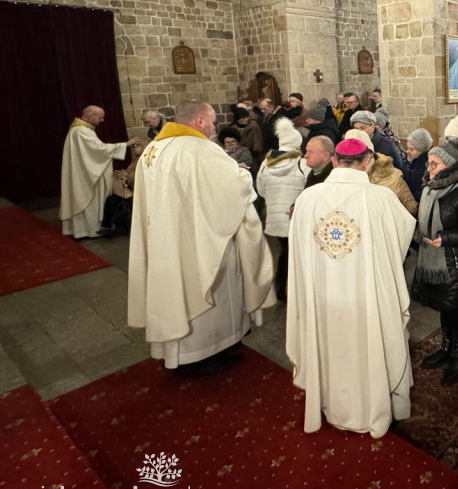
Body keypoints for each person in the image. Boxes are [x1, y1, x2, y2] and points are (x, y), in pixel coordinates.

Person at [127, 100, 276, 376]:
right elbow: (231, 187)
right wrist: (242, 175)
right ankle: (207, 352)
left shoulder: (155, 148)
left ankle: (179, 352)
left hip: (167, 240)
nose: (213, 127)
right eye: (210, 122)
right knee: (209, 289)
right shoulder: (200, 149)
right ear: (198, 121)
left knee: (175, 291)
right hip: (199, 241)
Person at [286, 137, 415, 437]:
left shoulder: (308, 198)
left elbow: (298, 250)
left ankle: (331, 404)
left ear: (334, 161)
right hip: (366, 298)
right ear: (367, 163)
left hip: (322, 296)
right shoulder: (381, 199)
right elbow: (401, 240)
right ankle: (374, 408)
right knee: (369, 344)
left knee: (329, 347)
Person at [412, 136, 458, 386]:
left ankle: (457, 356)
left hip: (456, 264)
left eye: (435, 165)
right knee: (445, 309)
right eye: (429, 164)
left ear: (451, 166)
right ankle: (445, 348)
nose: (429, 169)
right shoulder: (430, 188)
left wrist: (445, 238)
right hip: (436, 262)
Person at [59, 105, 143, 239]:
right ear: (91, 116)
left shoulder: (82, 130)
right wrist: (126, 144)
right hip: (85, 174)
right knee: (88, 198)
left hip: (85, 171)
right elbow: (99, 150)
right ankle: (89, 229)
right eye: (100, 117)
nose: (102, 120)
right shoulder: (81, 131)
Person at [256, 118, 309, 300]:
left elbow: (260, 189)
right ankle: (287, 286)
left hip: (274, 215)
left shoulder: (266, 163)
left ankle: (281, 285)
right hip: (294, 214)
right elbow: (308, 189)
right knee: (292, 252)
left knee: (285, 250)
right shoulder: (301, 164)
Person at [344, 129, 418, 216]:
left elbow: (411, 208)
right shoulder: (342, 180)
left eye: (359, 156)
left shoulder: (391, 176)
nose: (356, 162)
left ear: (370, 154)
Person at [350, 110, 405, 174]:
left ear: (372, 127)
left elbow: (399, 169)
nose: (359, 131)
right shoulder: (350, 145)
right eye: (356, 128)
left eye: (362, 128)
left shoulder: (388, 145)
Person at [403, 128, 433, 203]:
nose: (407, 152)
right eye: (407, 148)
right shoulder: (410, 160)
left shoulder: (427, 167)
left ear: (421, 150)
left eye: (411, 149)